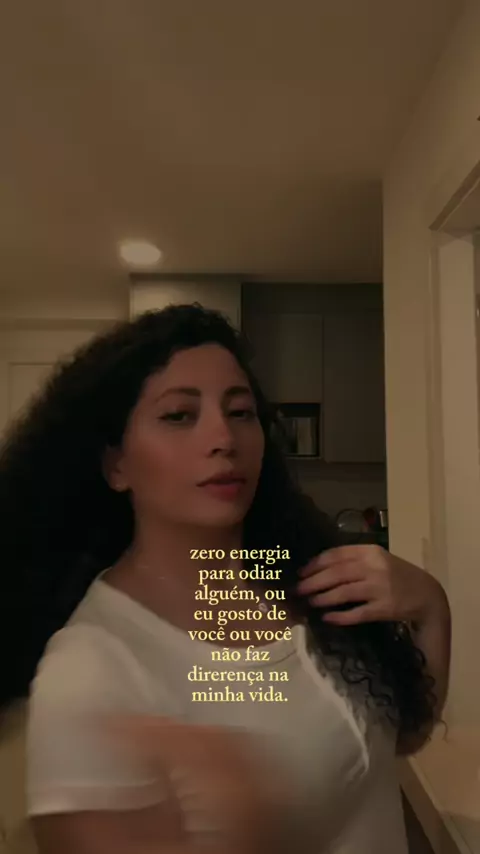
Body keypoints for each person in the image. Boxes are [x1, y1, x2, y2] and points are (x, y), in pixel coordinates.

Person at [0, 304, 450, 854]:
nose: (223, 437)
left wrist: (430, 607)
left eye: (240, 412)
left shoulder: (300, 576)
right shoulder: (89, 672)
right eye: (179, 416)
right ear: (116, 465)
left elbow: (397, 740)